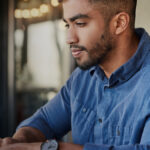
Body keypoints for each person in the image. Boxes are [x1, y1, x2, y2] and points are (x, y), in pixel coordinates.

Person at [1, 0, 150, 149]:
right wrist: (18, 142)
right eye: (67, 25)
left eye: (80, 23)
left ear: (119, 23)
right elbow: (44, 121)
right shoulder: (81, 77)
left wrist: (48, 148)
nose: (69, 38)